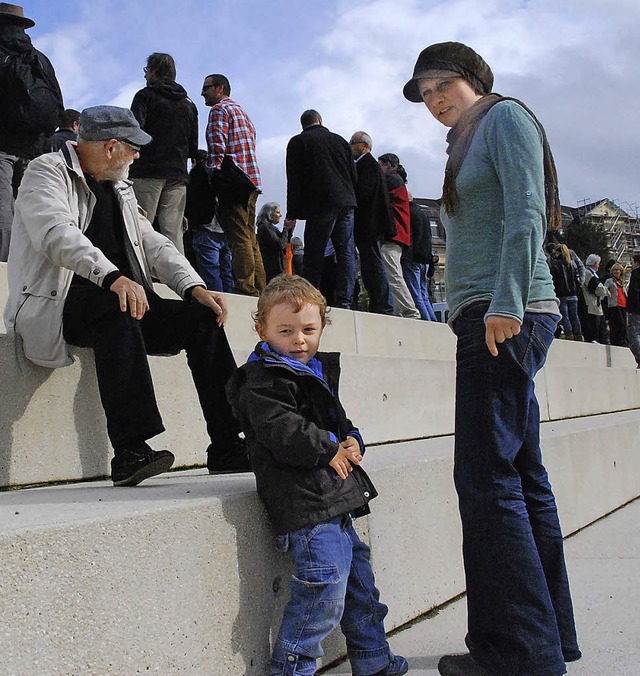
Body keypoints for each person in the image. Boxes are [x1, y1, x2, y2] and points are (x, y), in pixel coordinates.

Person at [403, 41, 581, 675]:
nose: (433, 100)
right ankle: (547, 642)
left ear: (473, 79)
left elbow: (527, 210)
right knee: (521, 476)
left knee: (486, 481)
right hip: (493, 314)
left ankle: (515, 654)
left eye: (440, 85)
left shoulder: (504, 117)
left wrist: (505, 302)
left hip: (502, 316)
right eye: (424, 94)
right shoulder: (465, 141)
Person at [3, 106, 249, 485]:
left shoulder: (120, 186)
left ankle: (228, 444)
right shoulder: (46, 172)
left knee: (203, 319)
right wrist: (112, 276)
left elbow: (154, 244)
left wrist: (193, 286)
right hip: (59, 299)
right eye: (133, 149)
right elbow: (55, 234)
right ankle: (131, 450)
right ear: (111, 146)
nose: (138, 156)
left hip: (124, 296)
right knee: (117, 310)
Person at [226, 274, 409, 676]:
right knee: (321, 594)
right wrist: (330, 447)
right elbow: (282, 430)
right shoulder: (261, 379)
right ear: (261, 329)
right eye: (286, 331)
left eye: (309, 329)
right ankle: (291, 670)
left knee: (361, 587)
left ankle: (374, 659)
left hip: (333, 500)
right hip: (305, 508)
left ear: (322, 327)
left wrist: (353, 440)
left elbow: (337, 422)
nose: (299, 340)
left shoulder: (312, 370)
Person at [0, 2, 64, 261]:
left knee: (3, 208)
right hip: (34, 148)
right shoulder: (39, 58)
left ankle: (3, 263)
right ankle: (27, 263)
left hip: (3, 144)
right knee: (28, 209)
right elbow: (58, 102)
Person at [284, 109, 358, 309]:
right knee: (346, 252)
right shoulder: (340, 141)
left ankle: (311, 299)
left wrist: (292, 214)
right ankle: (345, 300)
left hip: (320, 202)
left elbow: (294, 181)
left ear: (303, 124)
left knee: (314, 254)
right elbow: (353, 174)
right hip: (346, 200)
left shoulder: (298, 142)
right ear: (320, 120)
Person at [202, 73, 265, 296]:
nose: (203, 93)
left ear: (219, 88)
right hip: (251, 180)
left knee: (238, 237)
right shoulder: (243, 113)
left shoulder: (219, 110)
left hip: (233, 181)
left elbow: (217, 146)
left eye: (206, 88)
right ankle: (259, 286)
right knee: (250, 237)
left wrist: (213, 174)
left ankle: (245, 286)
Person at [130, 52, 198, 254]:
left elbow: (135, 132)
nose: (145, 76)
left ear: (153, 71)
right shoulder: (189, 104)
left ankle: (137, 278)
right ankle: (181, 282)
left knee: (140, 225)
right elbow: (193, 148)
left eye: (146, 71)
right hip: (177, 173)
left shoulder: (145, 96)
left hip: (147, 170)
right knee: (173, 231)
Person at [349, 131, 395, 315]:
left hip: (370, 224)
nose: (350, 145)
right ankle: (380, 303)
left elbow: (364, 193)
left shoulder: (367, 165)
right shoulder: (368, 165)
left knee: (373, 265)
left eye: (353, 142)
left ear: (365, 146)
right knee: (370, 265)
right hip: (370, 224)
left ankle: (382, 305)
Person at [377, 153, 420, 319]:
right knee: (393, 273)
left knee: (393, 274)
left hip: (393, 235)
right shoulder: (397, 181)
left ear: (387, 165)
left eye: (379, 165)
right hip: (398, 235)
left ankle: (409, 310)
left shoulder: (391, 181)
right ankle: (401, 310)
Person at [185, 150, 234, 293]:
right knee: (226, 272)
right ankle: (231, 304)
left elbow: (191, 200)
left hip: (206, 227)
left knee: (211, 273)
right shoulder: (222, 171)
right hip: (224, 227)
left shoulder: (197, 174)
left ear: (194, 160)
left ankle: (217, 307)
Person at [403, 194, 437, 321]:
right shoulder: (422, 213)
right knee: (424, 294)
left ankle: (427, 323)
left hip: (413, 257)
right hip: (425, 258)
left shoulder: (408, 213)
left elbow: (410, 237)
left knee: (415, 294)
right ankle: (433, 322)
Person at [547, 243, 583, 340]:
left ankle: (569, 334)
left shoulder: (555, 264)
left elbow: (554, 279)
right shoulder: (571, 263)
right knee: (575, 315)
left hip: (562, 294)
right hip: (573, 293)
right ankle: (578, 334)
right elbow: (577, 278)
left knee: (565, 316)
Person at [256, 201, 294, 283]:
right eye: (277, 212)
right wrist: (285, 228)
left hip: (275, 267)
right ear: (270, 213)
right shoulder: (265, 227)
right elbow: (280, 244)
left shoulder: (270, 228)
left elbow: (285, 240)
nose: (280, 215)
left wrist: (289, 229)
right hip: (272, 268)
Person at [582, 253, 609, 343]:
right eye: (598, 263)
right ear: (594, 264)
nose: (599, 266)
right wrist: (606, 290)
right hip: (592, 306)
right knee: (595, 330)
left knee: (602, 329)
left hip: (596, 306)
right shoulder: (588, 273)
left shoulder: (591, 274)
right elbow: (598, 289)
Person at [604, 262, 628, 347]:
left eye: (618, 270)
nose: (616, 271)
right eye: (614, 270)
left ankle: (623, 340)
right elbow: (604, 289)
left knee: (624, 324)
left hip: (623, 305)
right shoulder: (609, 281)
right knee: (617, 324)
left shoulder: (622, 282)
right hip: (614, 305)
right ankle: (616, 340)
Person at [626, 253, 640, 367]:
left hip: (636, 309)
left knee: (633, 333)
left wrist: (630, 306)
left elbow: (633, 291)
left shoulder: (636, 273)